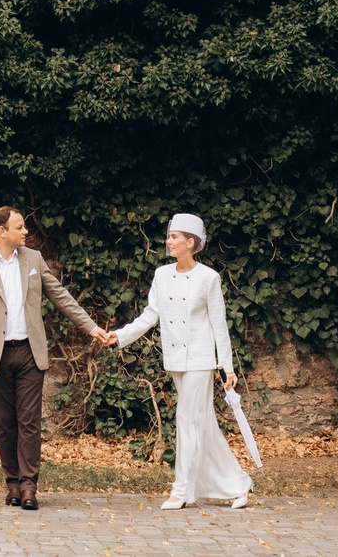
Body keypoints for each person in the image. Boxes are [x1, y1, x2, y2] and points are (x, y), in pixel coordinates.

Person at [0, 205, 111, 510]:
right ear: (2, 231)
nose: (26, 231)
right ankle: (12, 485)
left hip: (31, 353)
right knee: (5, 425)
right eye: (19, 227)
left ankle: (29, 486)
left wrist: (90, 327)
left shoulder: (33, 259)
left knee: (29, 423)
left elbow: (60, 296)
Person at [111, 211, 250, 509]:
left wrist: (227, 367)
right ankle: (238, 485)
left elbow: (219, 325)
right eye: (169, 236)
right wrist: (119, 336)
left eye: (174, 237)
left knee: (186, 419)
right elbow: (150, 315)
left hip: (201, 360)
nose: (169, 241)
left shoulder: (209, 278)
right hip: (176, 359)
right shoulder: (162, 275)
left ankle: (181, 490)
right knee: (202, 425)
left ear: (190, 242)